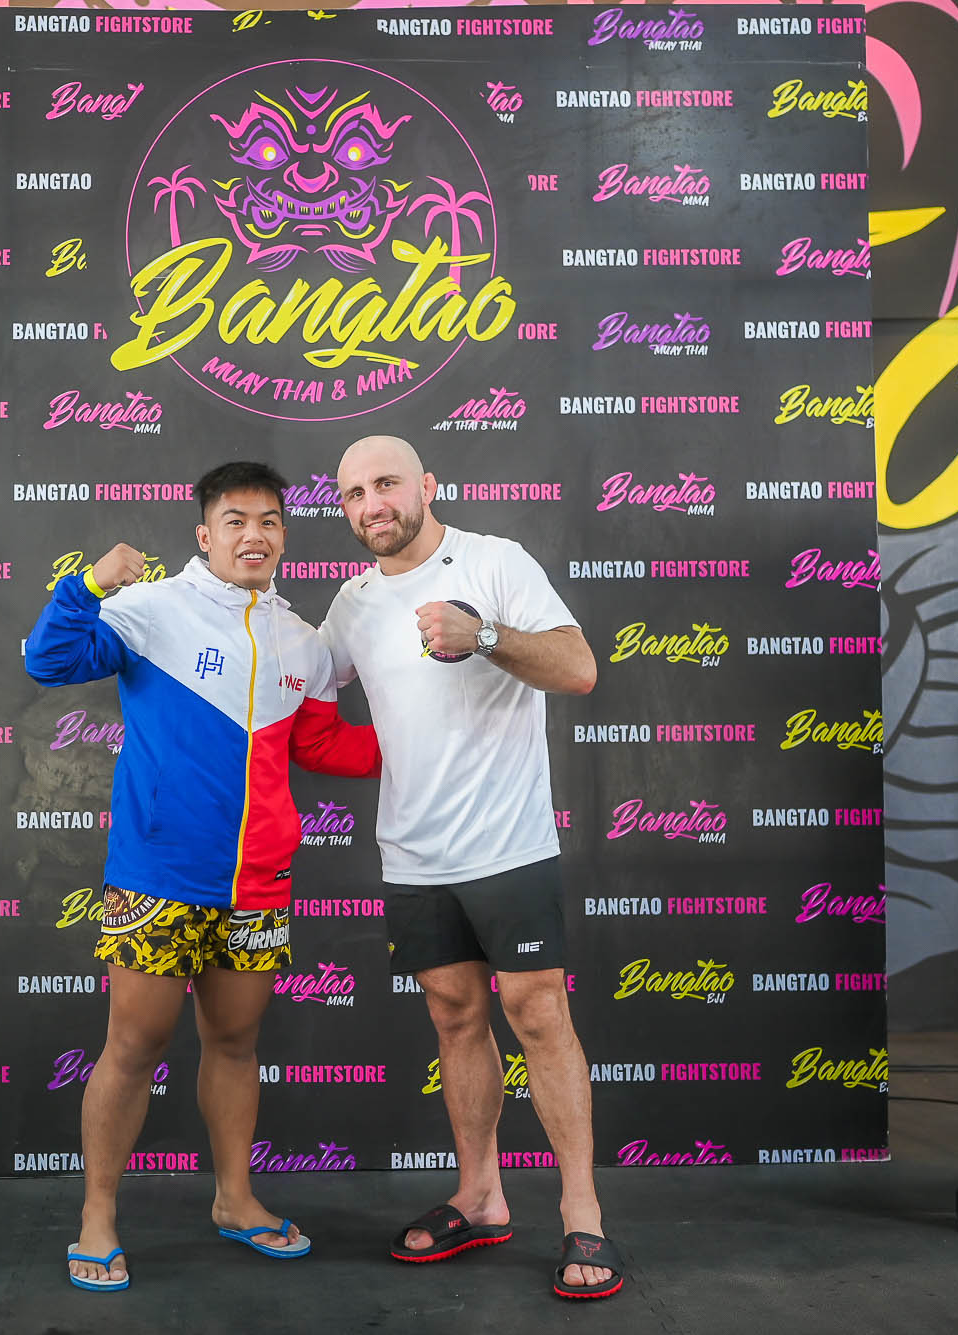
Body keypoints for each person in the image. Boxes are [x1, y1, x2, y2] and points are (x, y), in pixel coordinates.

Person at [24, 460, 380, 1292]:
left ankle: (235, 1197)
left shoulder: (301, 639)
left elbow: (323, 744)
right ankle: (97, 1215)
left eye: (269, 521)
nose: (254, 535)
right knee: (132, 1045)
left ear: (284, 535)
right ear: (204, 534)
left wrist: (428, 741)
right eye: (235, 521)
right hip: (160, 875)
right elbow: (49, 659)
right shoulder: (153, 608)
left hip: (258, 883)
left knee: (235, 1043)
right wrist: (87, 584)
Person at [320, 434, 623, 1301]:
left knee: (539, 1015)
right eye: (353, 494)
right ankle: (481, 1195)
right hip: (414, 853)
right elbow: (298, 684)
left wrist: (483, 633)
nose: (372, 505)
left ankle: (583, 1211)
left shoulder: (495, 561)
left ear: (426, 484)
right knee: (455, 1017)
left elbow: (579, 668)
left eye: (386, 484)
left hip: (508, 844)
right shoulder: (353, 602)